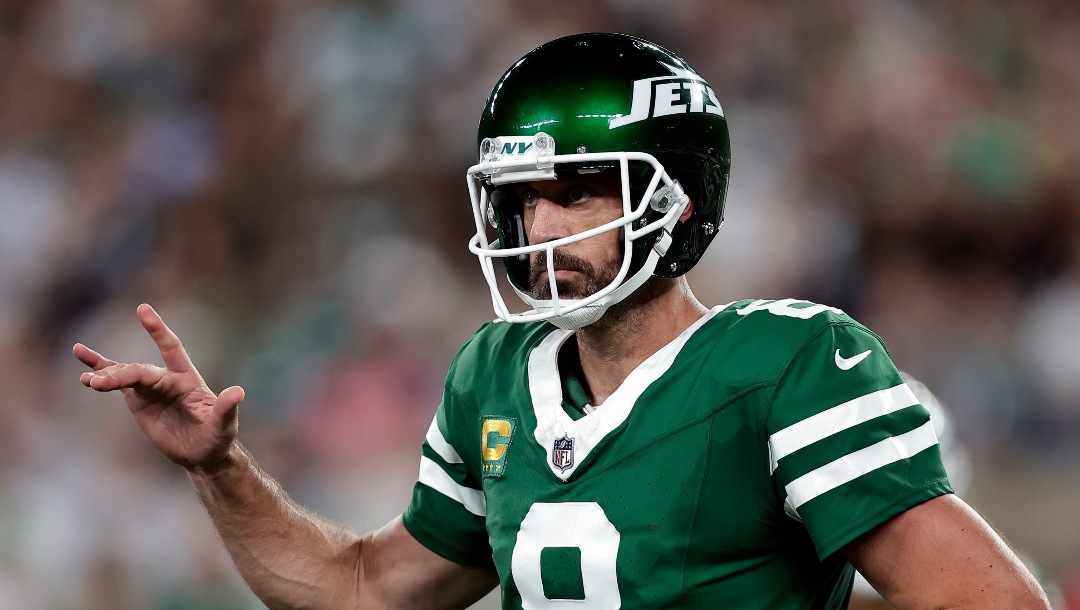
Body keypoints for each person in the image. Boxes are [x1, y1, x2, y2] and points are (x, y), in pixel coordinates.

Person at [74, 33, 1050, 609]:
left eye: (579, 191)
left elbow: (988, 601)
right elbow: (362, 590)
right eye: (524, 198)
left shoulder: (783, 363)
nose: (542, 228)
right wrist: (219, 468)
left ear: (674, 201)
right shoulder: (491, 375)